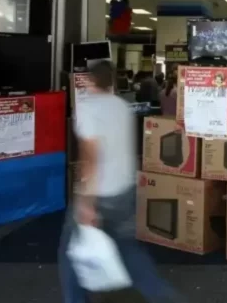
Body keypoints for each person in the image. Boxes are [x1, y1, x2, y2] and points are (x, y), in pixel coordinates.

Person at [59, 60, 185, 303]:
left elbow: (91, 155)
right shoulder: (122, 106)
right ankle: (165, 296)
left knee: (69, 254)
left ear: (91, 80)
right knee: (130, 252)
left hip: (101, 193)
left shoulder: (87, 108)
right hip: (126, 190)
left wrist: (86, 201)